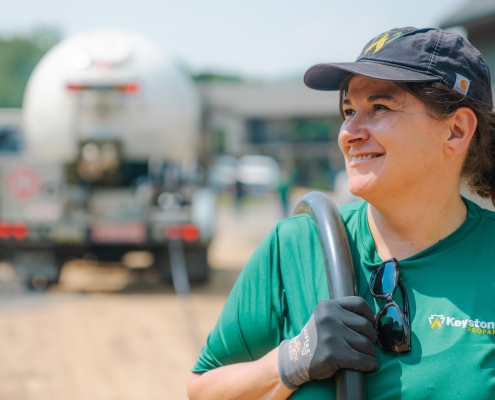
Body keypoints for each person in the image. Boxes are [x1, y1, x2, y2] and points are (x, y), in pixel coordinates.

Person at [187, 27, 495, 399]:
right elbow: (203, 390)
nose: (349, 132)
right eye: (349, 110)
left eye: (380, 107)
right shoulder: (295, 247)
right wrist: (293, 360)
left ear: (457, 131)